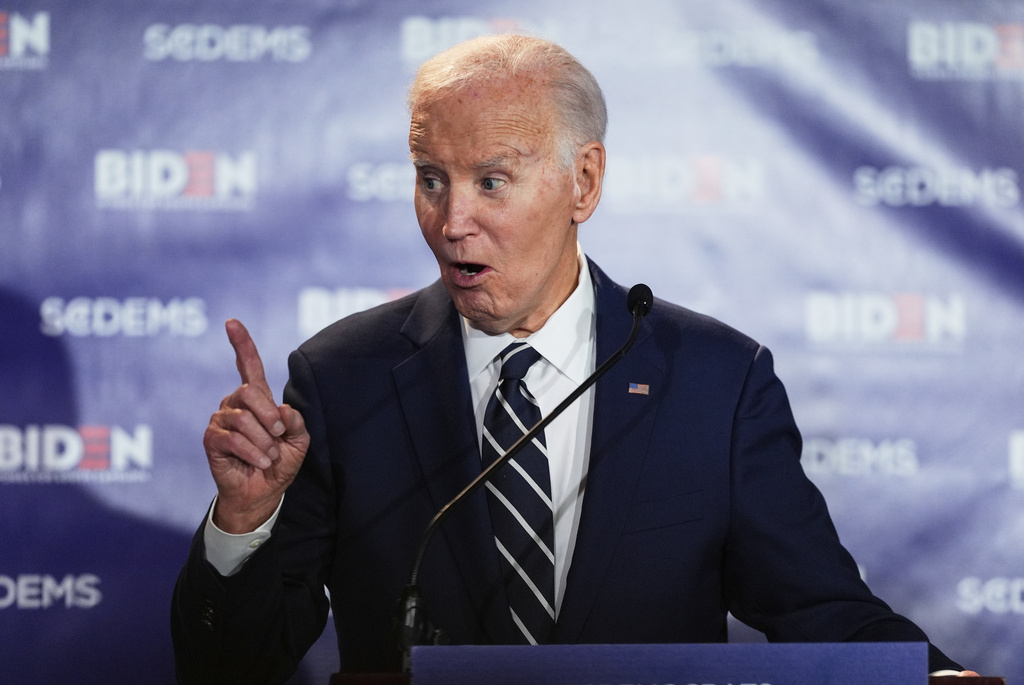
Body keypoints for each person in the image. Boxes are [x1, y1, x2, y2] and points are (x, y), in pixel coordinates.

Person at [171, 34, 977, 682]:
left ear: (583, 181)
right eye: (430, 179)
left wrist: (941, 679)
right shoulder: (341, 379)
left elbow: (824, 611)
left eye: (491, 181)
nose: (452, 221)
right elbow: (233, 668)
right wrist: (243, 522)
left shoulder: (714, 382)